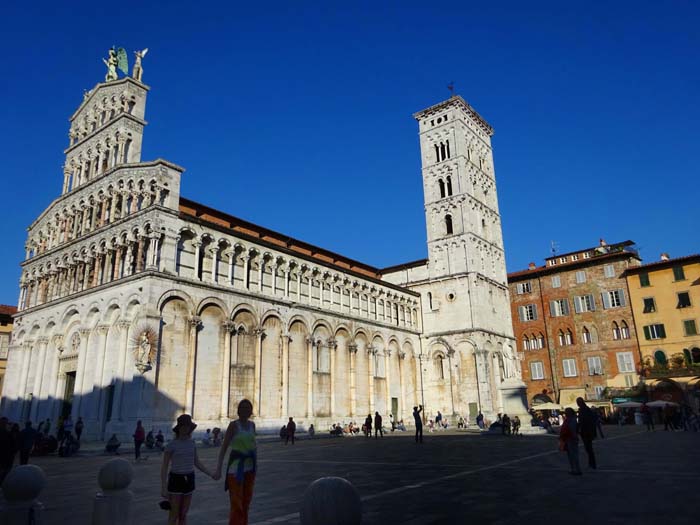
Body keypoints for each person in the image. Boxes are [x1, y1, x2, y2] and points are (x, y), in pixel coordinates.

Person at [161, 414, 212, 524]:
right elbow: (164, 467)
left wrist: (210, 473)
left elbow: (196, 462)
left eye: (187, 426)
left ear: (190, 428)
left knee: (183, 514)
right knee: (174, 514)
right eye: (183, 426)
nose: (185, 428)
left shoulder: (192, 444)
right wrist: (163, 487)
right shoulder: (171, 445)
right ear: (179, 428)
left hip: (189, 478)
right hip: (175, 479)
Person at [214, 399, 257, 525]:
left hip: (249, 468)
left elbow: (253, 446)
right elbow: (224, 447)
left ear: (250, 411)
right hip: (235, 469)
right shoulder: (233, 425)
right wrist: (218, 469)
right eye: (242, 408)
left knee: (246, 502)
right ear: (238, 410)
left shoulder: (252, 425)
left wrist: (256, 466)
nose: (245, 410)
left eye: (248, 408)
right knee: (236, 504)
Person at [559, 407, 582, 475]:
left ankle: (577, 470)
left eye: (566, 412)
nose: (565, 413)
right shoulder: (569, 419)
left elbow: (572, 430)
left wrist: (574, 437)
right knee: (571, 455)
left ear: (570, 413)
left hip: (571, 439)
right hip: (568, 439)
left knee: (573, 455)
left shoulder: (571, 420)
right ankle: (574, 469)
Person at [576, 397, 597, 469]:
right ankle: (591, 463)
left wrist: (578, 428)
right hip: (586, 431)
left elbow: (584, 421)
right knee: (588, 448)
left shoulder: (584, 410)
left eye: (578, 402)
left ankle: (592, 464)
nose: (577, 404)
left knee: (589, 448)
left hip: (586, 432)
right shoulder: (585, 409)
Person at [0, 417, 17, 485]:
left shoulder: (9, 434)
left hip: (5, 459)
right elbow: (14, 447)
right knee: (4, 475)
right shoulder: (9, 434)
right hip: (6, 459)